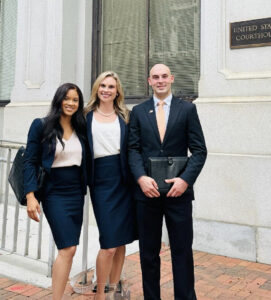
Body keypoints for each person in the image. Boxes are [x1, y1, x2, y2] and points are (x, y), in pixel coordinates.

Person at [128, 64, 207, 300]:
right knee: (148, 254)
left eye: (164, 76)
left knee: (182, 252)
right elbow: (132, 149)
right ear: (149, 81)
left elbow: (200, 151)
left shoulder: (187, 110)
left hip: (178, 195)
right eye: (155, 77)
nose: (160, 80)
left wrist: (185, 180)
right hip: (147, 195)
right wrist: (141, 178)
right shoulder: (138, 112)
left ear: (171, 78)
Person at [24, 83, 88, 300]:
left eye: (75, 100)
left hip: (76, 192)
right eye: (67, 98)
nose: (71, 103)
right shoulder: (41, 125)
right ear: (59, 99)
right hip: (53, 192)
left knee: (71, 248)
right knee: (67, 248)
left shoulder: (82, 127)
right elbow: (30, 162)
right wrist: (30, 196)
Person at [85, 71, 137, 300]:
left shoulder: (125, 115)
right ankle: (100, 294)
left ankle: (114, 289)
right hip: (101, 181)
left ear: (117, 91)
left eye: (111, 87)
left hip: (124, 179)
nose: (106, 90)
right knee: (108, 243)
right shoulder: (85, 116)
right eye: (103, 85)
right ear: (97, 88)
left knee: (121, 239)